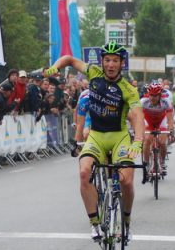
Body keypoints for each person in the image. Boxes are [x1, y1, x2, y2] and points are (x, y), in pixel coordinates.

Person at [49, 41, 144, 240]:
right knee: (84, 173)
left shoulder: (128, 89)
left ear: (121, 63)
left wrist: (138, 142)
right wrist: (55, 67)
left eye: (115, 61)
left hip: (119, 138)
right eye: (107, 60)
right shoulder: (93, 73)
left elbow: (137, 116)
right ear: (102, 62)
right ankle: (94, 223)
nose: (110, 65)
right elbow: (69, 59)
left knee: (126, 181)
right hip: (96, 136)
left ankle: (126, 220)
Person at [140, 81, 175, 176]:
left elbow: (170, 118)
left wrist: (171, 130)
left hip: (161, 122)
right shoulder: (143, 102)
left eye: (155, 96)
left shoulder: (166, 102)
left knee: (162, 142)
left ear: (160, 95)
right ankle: (146, 163)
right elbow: (139, 117)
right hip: (149, 122)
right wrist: (139, 131)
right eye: (151, 95)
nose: (152, 98)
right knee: (147, 140)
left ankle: (162, 162)